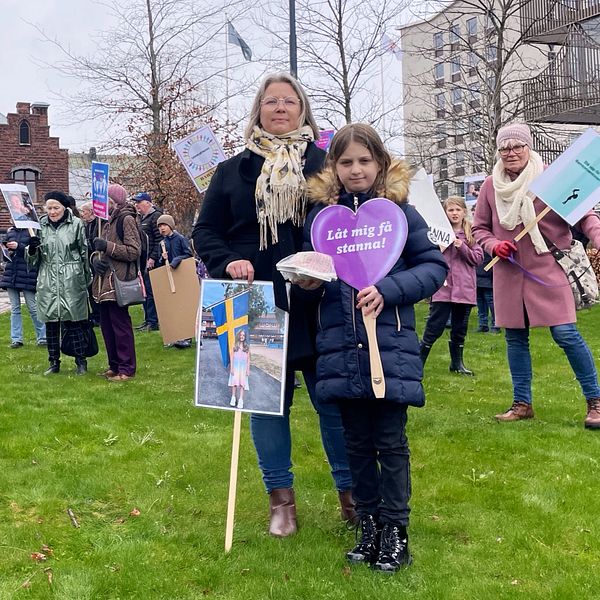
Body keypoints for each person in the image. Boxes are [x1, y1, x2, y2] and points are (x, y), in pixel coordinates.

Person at [192, 72, 354, 537]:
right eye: (270, 102)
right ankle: (280, 500)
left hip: (319, 301)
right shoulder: (231, 171)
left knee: (333, 401)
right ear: (258, 110)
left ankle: (352, 494)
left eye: (289, 101)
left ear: (303, 109)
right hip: (254, 302)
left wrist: (318, 268)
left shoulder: (327, 166)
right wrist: (228, 261)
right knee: (265, 404)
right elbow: (206, 232)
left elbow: (346, 228)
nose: (280, 108)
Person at [299, 123, 447, 572]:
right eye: (346, 162)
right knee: (356, 445)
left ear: (380, 163)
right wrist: (305, 284)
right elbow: (313, 279)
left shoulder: (401, 213)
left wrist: (390, 288)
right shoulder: (323, 220)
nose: (356, 169)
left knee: (390, 441)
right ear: (334, 167)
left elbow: (433, 267)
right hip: (340, 348)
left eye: (364, 160)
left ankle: (395, 530)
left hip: (389, 347)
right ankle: (368, 526)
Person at [472, 122, 600, 428]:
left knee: (566, 334)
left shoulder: (551, 178)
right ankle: (522, 403)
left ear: (528, 148)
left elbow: (584, 215)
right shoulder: (491, 185)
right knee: (515, 339)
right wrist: (493, 245)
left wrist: (597, 236)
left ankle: (595, 401)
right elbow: (479, 228)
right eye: (504, 148)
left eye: (517, 146)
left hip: (548, 269)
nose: (511, 152)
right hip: (508, 273)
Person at [26, 191, 91, 375]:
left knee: (74, 322)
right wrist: (31, 248)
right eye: (49, 208)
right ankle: (54, 362)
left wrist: (86, 279)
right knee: (51, 323)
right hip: (48, 279)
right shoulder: (39, 226)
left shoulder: (76, 224)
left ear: (64, 208)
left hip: (71, 278)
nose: (52, 211)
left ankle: (81, 361)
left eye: (56, 207)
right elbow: (32, 261)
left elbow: (83, 252)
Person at [420, 196, 483, 375]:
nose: (454, 213)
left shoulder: (472, 233)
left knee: (459, 328)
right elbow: (428, 256)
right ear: (445, 213)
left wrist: (462, 246)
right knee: (434, 326)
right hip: (443, 288)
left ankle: (457, 363)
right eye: (451, 210)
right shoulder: (437, 232)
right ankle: (418, 363)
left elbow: (477, 259)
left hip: (464, 289)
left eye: (458, 210)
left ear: (464, 212)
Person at [91, 184, 141, 382]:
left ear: (114, 200)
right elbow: (99, 250)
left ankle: (127, 368)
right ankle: (114, 365)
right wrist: (95, 259)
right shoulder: (105, 221)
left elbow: (133, 250)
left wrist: (108, 247)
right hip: (103, 280)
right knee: (106, 326)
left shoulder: (126, 219)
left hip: (118, 279)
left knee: (120, 326)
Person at [0, 227, 46, 348]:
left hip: (27, 274)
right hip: (11, 274)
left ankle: (42, 337)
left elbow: (36, 251)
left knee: (33, 307)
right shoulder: (10, 232)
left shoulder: (33, 231)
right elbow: (6, 250)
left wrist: (19, 247)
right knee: (15, 308)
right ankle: (16, 339)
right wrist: (6, 249)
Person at [156, 213, 193, 349]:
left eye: (164, 225)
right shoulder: (163, 242)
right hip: (169, 276)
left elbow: (188, 254)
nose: (162, 228)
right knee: (172, 307)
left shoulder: (180, 239)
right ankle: (174, 336)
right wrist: (162, 257)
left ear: (170, 225)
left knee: (183, 306)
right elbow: (162, 263)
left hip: (181, 275)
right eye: (160, 226)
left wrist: (176, 260)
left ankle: (186, 337)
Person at [133, 192, 162, 332]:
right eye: (136, 202)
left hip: (151, 261)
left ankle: (153, 321)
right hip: (142, 260)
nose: (137, 205)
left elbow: (159, 239)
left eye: (139, 202)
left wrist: (153, 258)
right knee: (144, 291)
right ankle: (147, 320)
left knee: (151, 292)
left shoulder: (155, 217)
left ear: (148, 203)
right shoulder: (140, 218)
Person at [80, 201, 101, 326]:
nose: (83, 214)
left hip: (95, 259)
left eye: (84, 211)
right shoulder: (86, 225)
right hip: (88, 260)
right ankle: (94, 313)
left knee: (95, 287)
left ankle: (98, 314)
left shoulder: (97, 224)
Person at [475, 251, 499, 333]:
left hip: (488, 276)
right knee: (480, 301)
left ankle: (495, 324)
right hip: (478, 276)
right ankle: (483, 324)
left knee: (490, 301)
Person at [228, 329, 250, 409]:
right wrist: (232, 368)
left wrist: (248, 369)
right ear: (238, 336)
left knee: (242, 383)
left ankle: (241, 400)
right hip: (236, 366)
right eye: (240, 335)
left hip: (243, 367)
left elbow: (248, 359)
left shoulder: (246, 347)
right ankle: (233, 397)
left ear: (245, 337)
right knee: (234, 382)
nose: (242, 337)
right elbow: (232, 357)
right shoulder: (234, 346)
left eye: (243, 335)